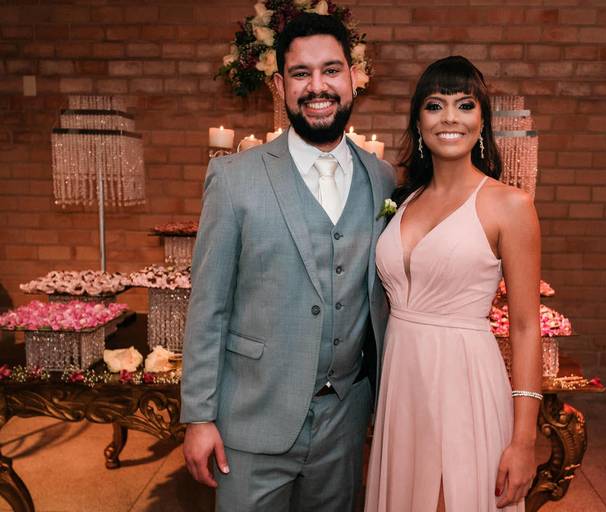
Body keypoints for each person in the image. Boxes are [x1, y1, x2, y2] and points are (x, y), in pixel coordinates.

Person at [180, 13, 395, 511]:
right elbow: (208, 307)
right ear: (280, 85)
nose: (317, 86)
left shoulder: (381, 178)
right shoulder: (234, 178)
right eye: (301, 73)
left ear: (353, 78)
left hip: (345, 421)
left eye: (331, 70)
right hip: (252, 418)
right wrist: (199, 417)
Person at [365, 56, 542, 512]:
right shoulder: (402, 200)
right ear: (418, 121)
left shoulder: (510, 205)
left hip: (464, 381)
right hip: (402, 387)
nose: (449, 118)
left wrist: (524, 440)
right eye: (434, 105)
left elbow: (526, 327)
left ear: (482, 122)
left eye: (464, 105)